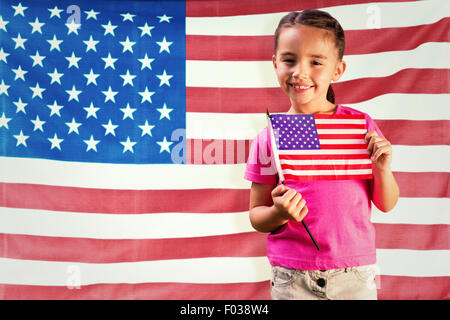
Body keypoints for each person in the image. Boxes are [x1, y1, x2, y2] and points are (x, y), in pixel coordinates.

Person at [244, 9, 400, 300]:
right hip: (292, 275)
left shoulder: (359, 127)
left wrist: (382, 169)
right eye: (289, 60)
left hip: (354, 272)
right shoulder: (270, 137)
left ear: (338, 70)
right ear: (275, 63)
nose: (300, 72)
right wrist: (278, 212)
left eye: (316, 62)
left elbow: (386, 203)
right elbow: (256, 215)